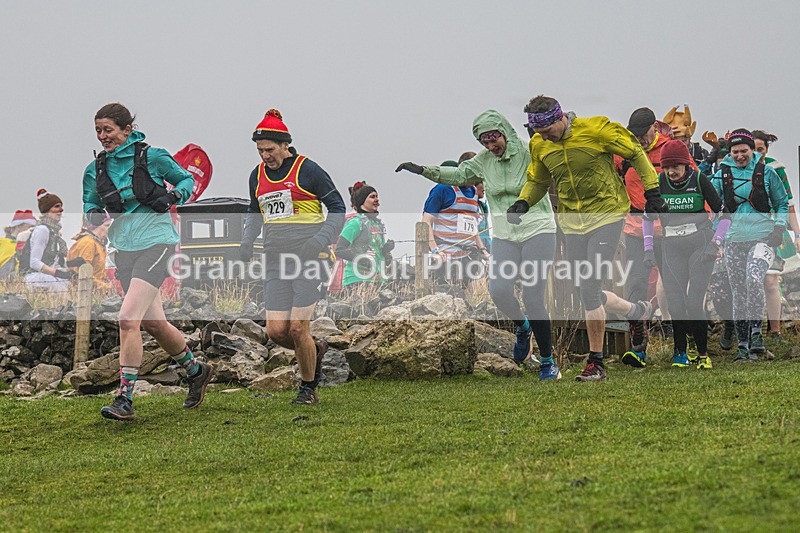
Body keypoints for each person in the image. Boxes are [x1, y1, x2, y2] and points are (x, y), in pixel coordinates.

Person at [509, 95, 667, 382]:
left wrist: (652, 191)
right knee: (585, 289)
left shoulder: (598, 129)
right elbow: (538, 180)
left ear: (560, 118)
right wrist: (523, 202)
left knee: (590, 286)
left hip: (607, 215)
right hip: (572, 223)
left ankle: (596, 364)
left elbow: (635, 152)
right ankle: (636, 311)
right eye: (538, 134)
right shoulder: (540, 144)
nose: (544, 138)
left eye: (547, 131)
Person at [397, 108, 562, 380]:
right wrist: (422, 170)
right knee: (498, 290)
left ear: (504, 132)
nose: (490, 146)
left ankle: (547, 362)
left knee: (533, 296)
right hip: (505, 235)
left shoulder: (527, 149)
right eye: (484, 142)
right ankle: (522, 327)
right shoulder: (484, 161)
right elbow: (456, 175)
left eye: (493, 139)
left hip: (538, 230)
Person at [83, 102, 210, 421]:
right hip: (124, 248)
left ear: (127, 130)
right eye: (98, 130)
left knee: (128, 318)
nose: (102, 136)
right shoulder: (95, 169)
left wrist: (174, 197)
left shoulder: (154, 157)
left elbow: (185, 182)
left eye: (108, 130)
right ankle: (196, 372)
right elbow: (89, 201)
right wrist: (92, 213)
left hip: (157, 242)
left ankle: (125, 398)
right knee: (153, 323)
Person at [240, 109, 346, 405]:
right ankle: (316, 348)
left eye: (270, 150)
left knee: (299, 327)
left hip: (311, 256)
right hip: (275, 259)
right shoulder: (257, 176)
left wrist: (320, 240)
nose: (265, 156)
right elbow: (254, 210)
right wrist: (247, 240)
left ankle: (308, 387)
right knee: (276, 332)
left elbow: (338, 208)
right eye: (260, 150)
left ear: (285, 145)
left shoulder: (308, 170)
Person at [642, 140, 730, 369]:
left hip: (700, 245)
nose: (671, 172)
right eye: (666, 167)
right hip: (671, 245)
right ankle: (680, 352)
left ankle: (702, 354)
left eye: (676, 167)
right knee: (676, 302)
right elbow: (647, 218)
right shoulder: (659, 183)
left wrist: (716, 243)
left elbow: (725, 215)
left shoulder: (699, 179)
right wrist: (648, 248)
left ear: (685, 164)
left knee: (693, 302)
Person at [711, 129, 788, 362]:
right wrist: (715, 233)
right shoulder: (721, 174)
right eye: (735, 152)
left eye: (744, 151)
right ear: (730, 152)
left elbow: (782, 203)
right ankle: (743, 345)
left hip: (762, 237)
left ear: (752, 150)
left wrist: (779, 227)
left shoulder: (767, 172)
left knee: (753, 279)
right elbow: (711, 203)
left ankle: (757, 334)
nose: (740, 156)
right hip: (733, 239)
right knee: (738, 291)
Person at [616, 107, 676, 368]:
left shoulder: (671, 149)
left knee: (674, 286)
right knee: (636, 286)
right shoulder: (625, 152)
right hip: (635, 230)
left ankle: (682, 345)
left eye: (643, 133)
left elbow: (693, 182)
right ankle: (638, 348)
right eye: (635, 134)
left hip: (669, 231)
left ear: (655, 126)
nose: (639, 139)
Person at [752, 130, 800, 341]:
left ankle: (775, 330)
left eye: (760, 149)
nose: (756, 154)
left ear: (767, 150)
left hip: (774, 230)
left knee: (771, 282)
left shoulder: (776, 169)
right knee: (751, 281)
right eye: (753, 149)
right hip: (749, 231)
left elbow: (788, 204)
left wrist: (797, 234)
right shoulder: (739, 170)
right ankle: (753, 331)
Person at [419, 160, 489, 287]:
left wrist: (483, 250)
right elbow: (426, 222)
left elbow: (473, 227)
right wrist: (435, 250)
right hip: (445, 256)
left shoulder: (474, 192)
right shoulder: (442, 189)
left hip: (469, 256)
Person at [334, 181, 393, 290]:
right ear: (362, 201)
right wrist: (360, 258)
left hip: (378, 280)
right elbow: (339, 249)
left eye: (377, 196)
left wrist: (386, 250)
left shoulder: (378, 224)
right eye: (372, 197)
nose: (377, 199)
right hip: (356, 281)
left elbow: (379, 253)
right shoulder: (355, 223)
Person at [20, 189, 82, 292]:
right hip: (35, 277)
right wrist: (57, 273)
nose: (61, 210)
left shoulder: (54, 232)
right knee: (60, 286)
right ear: (47, 209)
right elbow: (34, 262)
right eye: (56, 206)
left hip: (46, 276)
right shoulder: (42, 230)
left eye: (61, 206)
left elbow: (53, 263)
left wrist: (70, 266)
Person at [67, 213, 113, 289]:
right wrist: (106, 287)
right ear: (96, 226)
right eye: (107, 225)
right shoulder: (88, 243)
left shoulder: (98, 243)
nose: (110, 229)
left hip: (94, 293)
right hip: (84, 294)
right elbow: (82, 274)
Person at [0, 210, 37, 278]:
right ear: (18, 226)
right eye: (29, 227)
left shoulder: (28, 246)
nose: (31, 231)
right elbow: (4, 276)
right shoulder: (7, 245)